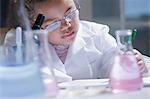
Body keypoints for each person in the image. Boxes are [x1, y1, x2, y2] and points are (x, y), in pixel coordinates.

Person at [4, 0, 148, 80]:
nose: (67, 25)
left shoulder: (96, 34)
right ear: (32, 25)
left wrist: (133, 64)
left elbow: (114, 60)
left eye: (71, 13)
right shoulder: (19, 41)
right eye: (53, 23)